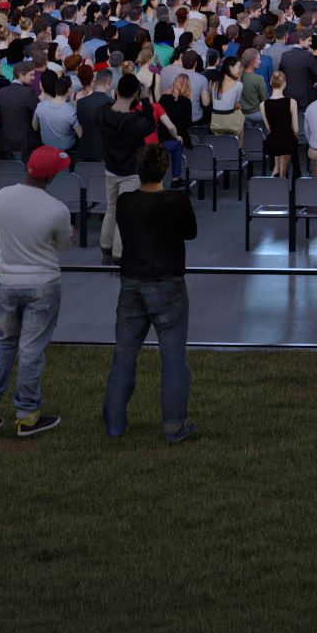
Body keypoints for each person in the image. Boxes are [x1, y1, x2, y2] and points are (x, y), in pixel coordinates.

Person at [0, 146, 80, 437]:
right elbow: (62, 247)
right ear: (51, 176)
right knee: (31, 349)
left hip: (8, 281)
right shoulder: (56, 209)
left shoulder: (2, 197)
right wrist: (69, 234)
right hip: (43, 283)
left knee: (5, 343)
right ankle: (28, 413)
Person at [102, 136, 198, 442]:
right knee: (173, 359)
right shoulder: (177, 200)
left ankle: (114, 424)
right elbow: (190, 232)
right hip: (168, 283)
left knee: (124, 356)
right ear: (165, 169)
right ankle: (174, 425)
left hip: (131, 283)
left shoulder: (126, 201)